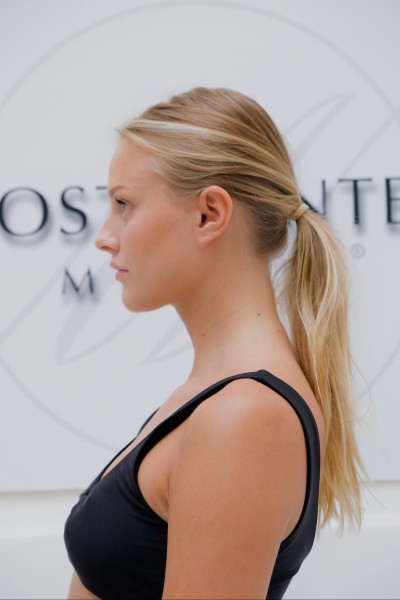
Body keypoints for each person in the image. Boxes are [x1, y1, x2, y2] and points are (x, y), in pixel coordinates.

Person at [64, 87, 364, 600]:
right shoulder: (217, 397)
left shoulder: (243, 417)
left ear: (209, 215)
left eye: (124, 204)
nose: (104, 236)